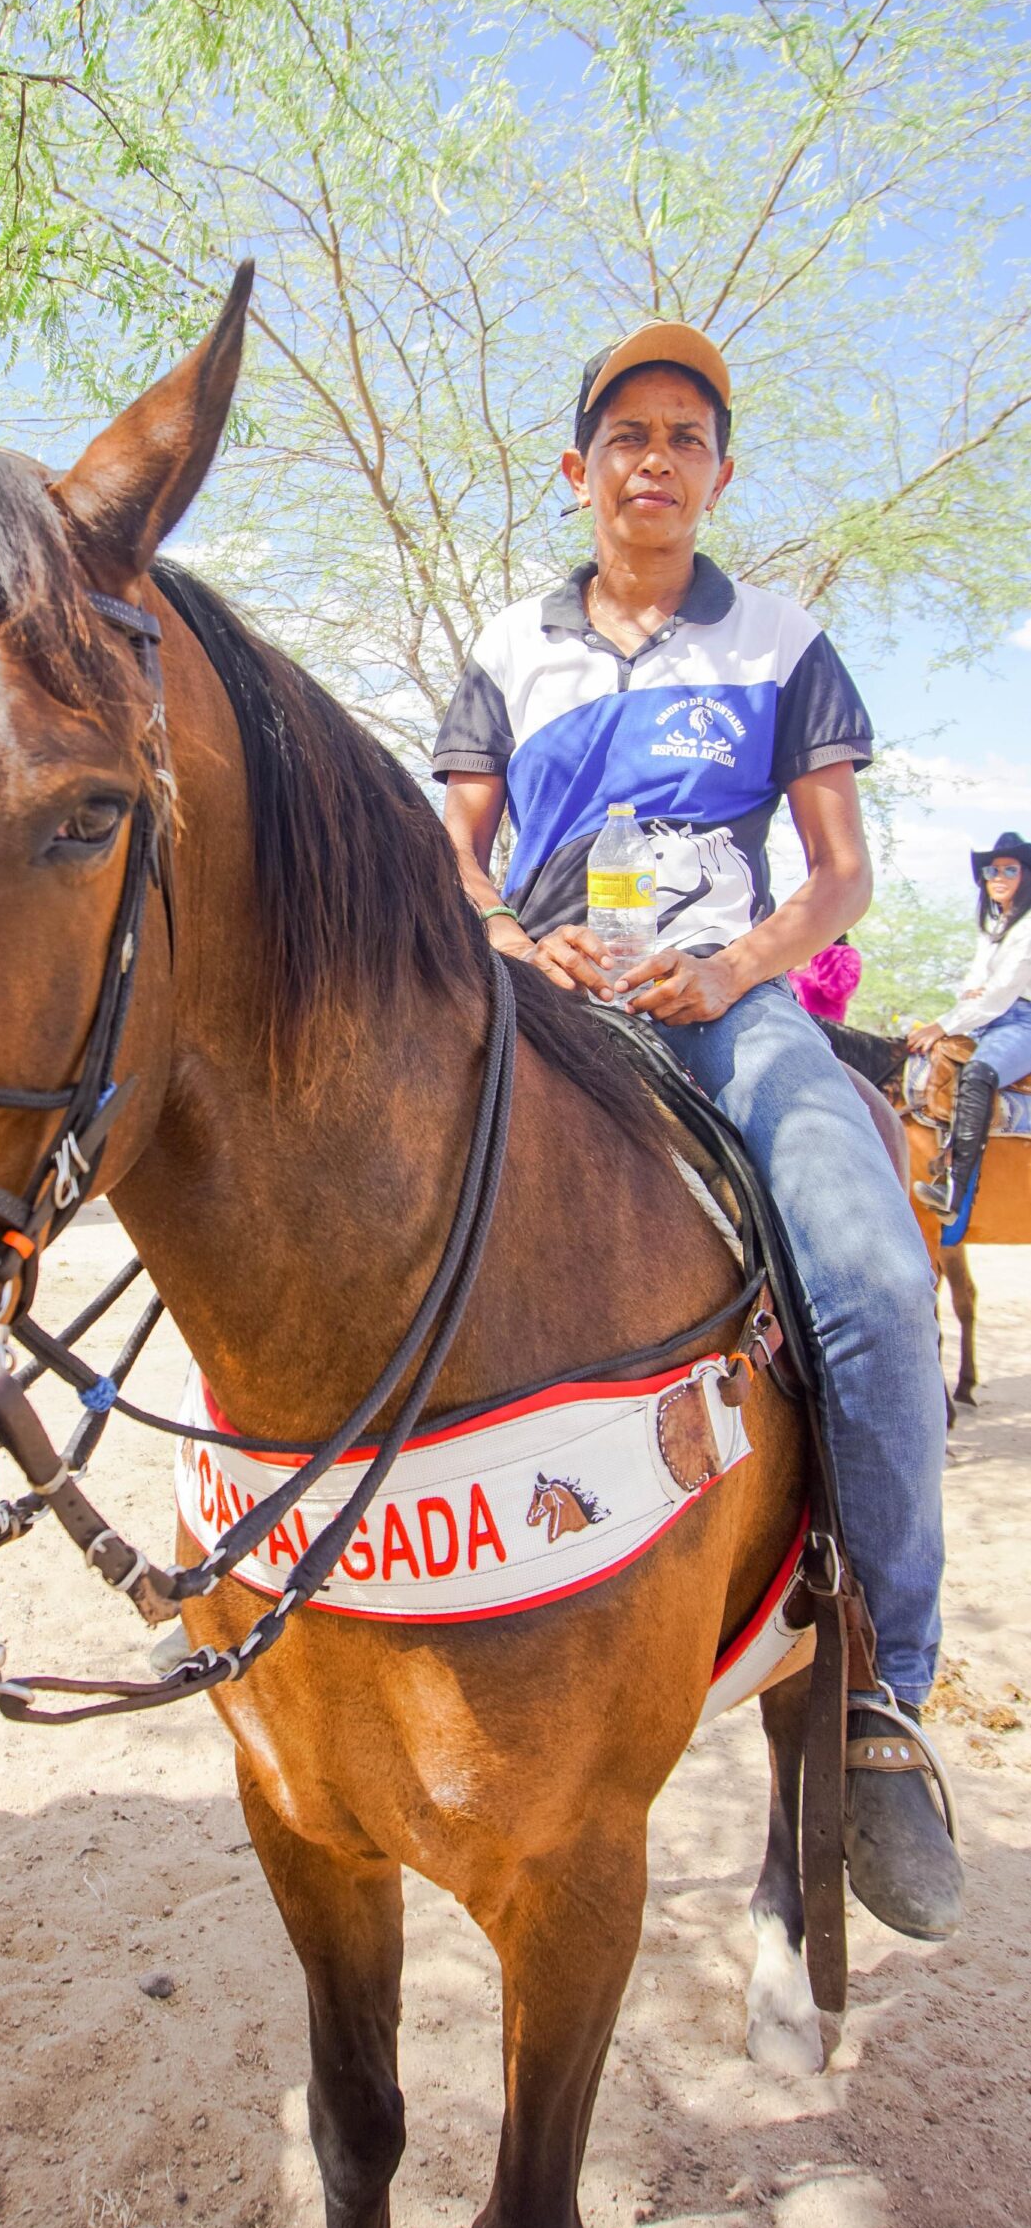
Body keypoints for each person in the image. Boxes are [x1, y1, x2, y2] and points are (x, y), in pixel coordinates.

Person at [434, 319, 961, 1941]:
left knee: (875, 1276)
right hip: (539, 1001)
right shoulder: (507, 650)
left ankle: (879, 1693)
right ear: (577, 468)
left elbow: (839, 873)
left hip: (726, 1007)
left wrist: (732, 968)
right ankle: (293, 1564)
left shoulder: (783, 643)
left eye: (684, 437)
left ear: (718, 475)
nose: (653, 459)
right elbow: (453, 855)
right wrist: (515, 941)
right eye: (627, 434)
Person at [908, 830, 1031, 1224]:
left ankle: (954, 1188)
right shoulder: (996, 927)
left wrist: (942, 1024)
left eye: (1009, 870)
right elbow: (975, 985)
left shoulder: (1028, 927)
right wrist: (968, 1002)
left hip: (1023, 1020)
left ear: (1026, 875)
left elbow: (1001, 992)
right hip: (989, 1018)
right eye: (992, 871)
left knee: (978, 1074)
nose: (998, 877)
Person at [788, 933, 861, 1023]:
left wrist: (823, 944)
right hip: (786, 1026)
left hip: (822, 1028)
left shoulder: (845, 953)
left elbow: (840, 990)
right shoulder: (788, 959)